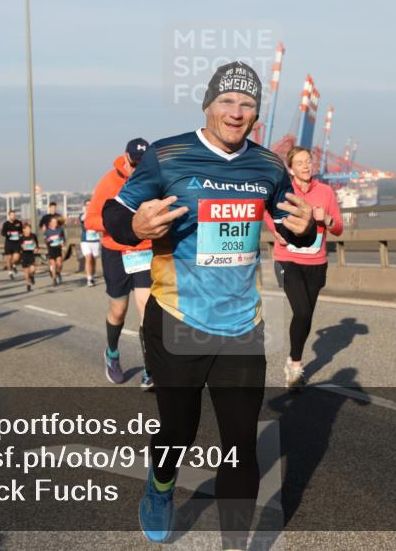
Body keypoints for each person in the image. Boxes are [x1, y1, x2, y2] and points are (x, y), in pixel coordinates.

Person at [102, 62, 316, 546]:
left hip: (242, 323)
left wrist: (305, 229)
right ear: (208, 104)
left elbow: (290, 225)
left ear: (257, 113)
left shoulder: (266, 165)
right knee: (178, 429)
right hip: (178, 317)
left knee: (241, 444)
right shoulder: (167, 155)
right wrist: (135, 229)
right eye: (227, 102)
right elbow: (116, 213)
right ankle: (160, 487)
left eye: (247, 105)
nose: (237, 113)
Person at [263, 146, 343, 388]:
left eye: (308, 161)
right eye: (300, 163)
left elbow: (338, 227)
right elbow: (266, 211)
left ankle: (292, 359)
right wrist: (277, 232)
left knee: (306, 314)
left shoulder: (326, 192)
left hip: (317, 262)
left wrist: (326, 219)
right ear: (291, 168)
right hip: (289, 260)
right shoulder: (284, 191)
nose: (306, 166)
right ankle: (295, 367)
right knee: (302, 311)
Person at [86, 137, 155, 388]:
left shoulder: (153, 180)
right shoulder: (109, 182)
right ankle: (112, 354)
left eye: (142, 164)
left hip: (144, 250)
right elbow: (90, 219)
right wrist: (118, 223)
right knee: (119, 310)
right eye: (134, 163)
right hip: (115, 251)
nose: (137, 168)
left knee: (148, 310)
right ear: (125, 158)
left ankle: (150, 370)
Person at [79, 200, 101, 287]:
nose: (88, 206)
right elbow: (82, 219)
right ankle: (89, 279)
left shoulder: (96, 215)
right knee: (88, 258)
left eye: (90, 205)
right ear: (84, 206)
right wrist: (89, 211)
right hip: (85, 240)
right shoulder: (83, 215)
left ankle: (93, 274)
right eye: (87, 205)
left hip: (95, 240)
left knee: (93, 259)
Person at [1, 210, 25, 280]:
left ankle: (13, 264)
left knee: (16, 258)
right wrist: (7, 233)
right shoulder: (6, 224)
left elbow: (21, 231)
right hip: (9, 243)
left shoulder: (19, 223)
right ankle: (10, 272)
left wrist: (21, 235)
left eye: (14, 215)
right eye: (12, 215)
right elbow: (2, 233)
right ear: (9, 216)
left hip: (17, 243)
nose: (13, 216)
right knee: (9, 258)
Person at [44, 216, 66, 286]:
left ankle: (58, 272)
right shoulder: (47, 231)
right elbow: (45, 240)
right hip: (51, 249)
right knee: (53, 264)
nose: (55, 223)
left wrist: (62, 244)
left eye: (56, 222)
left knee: (59, 264)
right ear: (50, 223)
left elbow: (63, 238)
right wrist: (47, 240)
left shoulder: (60, 229)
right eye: (53, 222)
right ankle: (54, 279)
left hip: (58, 248)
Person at [19, 222, 40, 292]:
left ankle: (32, 276)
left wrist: (36, 248)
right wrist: (22, 248)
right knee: (27, 272)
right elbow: (19, 247)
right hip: (24, 256)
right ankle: (28, 285)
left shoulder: (33, 236)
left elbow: (37, 245)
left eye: (29, 229)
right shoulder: (21, 237)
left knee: (33, 269)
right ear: (23, 230)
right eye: (27, 229)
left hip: (31, 255)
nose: (28, 230)